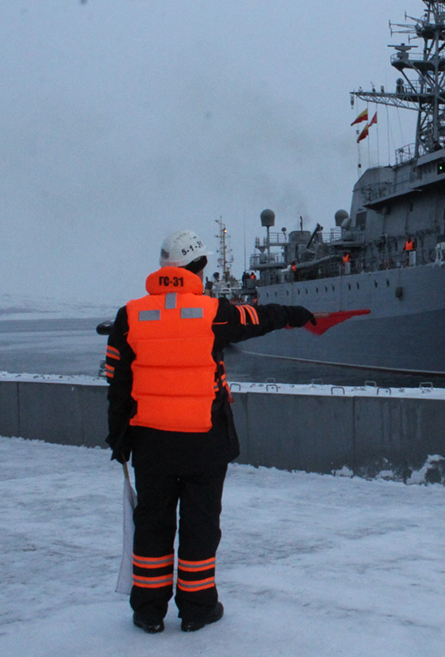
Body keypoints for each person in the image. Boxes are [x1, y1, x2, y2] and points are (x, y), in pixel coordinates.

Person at [105, 230, 316, 635]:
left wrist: (119, 439)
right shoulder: (213, 312)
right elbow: (258, 318)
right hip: (204, 442)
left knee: (152, 523)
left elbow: (117, 382)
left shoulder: (129, 315)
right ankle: (197, 609)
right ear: (198, 268)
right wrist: (297, 313)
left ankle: (148, 611)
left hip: (150, 442)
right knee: (200, 525)